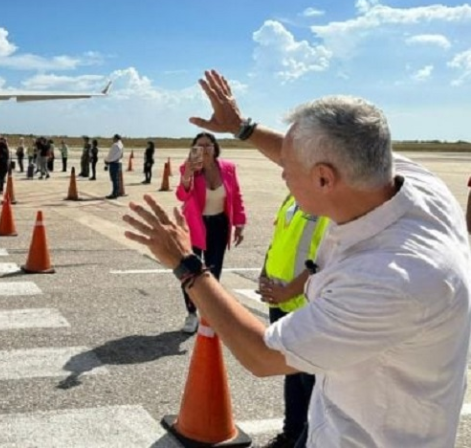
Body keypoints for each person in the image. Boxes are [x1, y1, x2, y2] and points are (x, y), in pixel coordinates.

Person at [122, 70, 471, 448]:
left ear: (324, 179)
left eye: (287, 167)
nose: (282, 173)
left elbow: (261, 355)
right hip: (337, 417)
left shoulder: (391, 278)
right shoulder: (410, 183)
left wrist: (187, 265)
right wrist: (243, 128)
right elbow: (326, 159)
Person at [256, 194, 329, 448]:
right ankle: (291, 434)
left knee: (309, 381)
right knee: (291, 372)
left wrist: (289, 291)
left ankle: (309, 440)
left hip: (303, 304)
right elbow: (278, 240)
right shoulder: (291, 196)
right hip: (279, 299)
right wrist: (264, 272)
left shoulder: (326, 206)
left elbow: (321, 263)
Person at [175, 131, 246, 333]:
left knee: (213, 273)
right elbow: (182, 195)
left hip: (218, 226)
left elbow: (236, 197)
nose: (204, 149)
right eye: (200, 145)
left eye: (208, 145)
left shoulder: (228, 169)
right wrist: (188, 173)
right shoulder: (189, 168)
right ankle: (191, 313)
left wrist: (239, 224)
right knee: (190, 271)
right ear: (193, 149)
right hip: (194, 225)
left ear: (215, 147)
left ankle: (209, 313)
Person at [104, 134, 124, 198]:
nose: (112, 139)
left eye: (113, 138)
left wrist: (106, 160)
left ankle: (114, 193)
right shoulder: (121, 145)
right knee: (117, 179)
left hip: (113, 163)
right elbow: (121, 155)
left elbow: (111, 155)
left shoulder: (115, 145)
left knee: (114, 179)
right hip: (119, 163)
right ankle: (117, 192)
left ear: (116, 138)